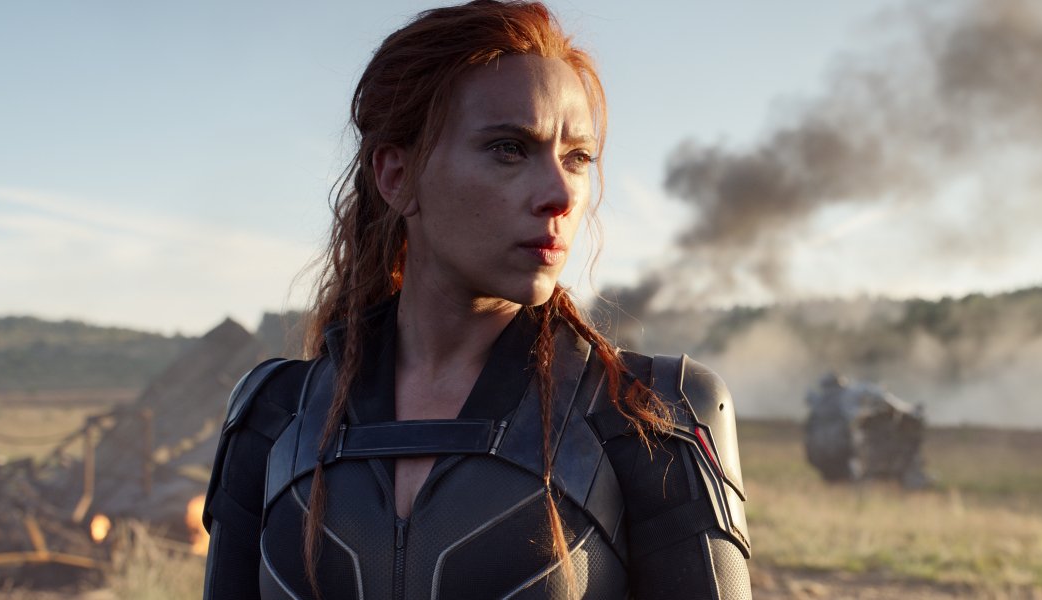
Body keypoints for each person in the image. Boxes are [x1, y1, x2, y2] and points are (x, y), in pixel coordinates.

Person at [201, 1, 752, 598]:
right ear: (396, 177)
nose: (561, 194)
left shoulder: (652, 416)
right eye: (509, 148)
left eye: (577, 158)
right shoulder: (274, 415)